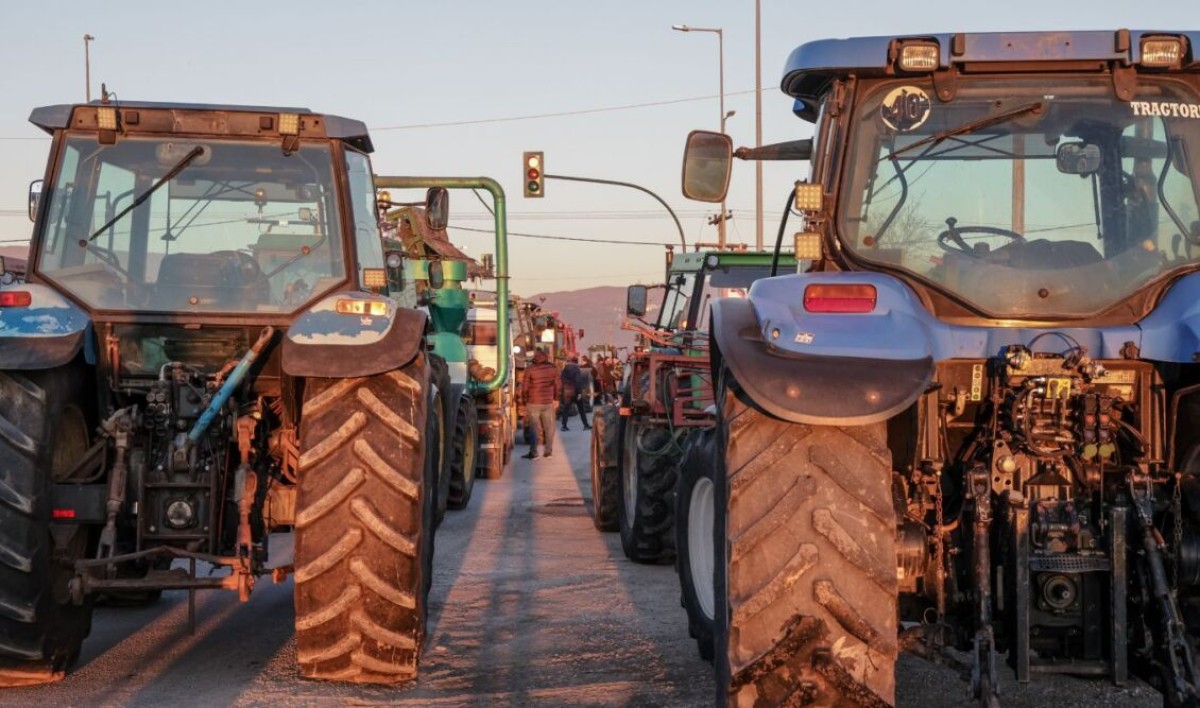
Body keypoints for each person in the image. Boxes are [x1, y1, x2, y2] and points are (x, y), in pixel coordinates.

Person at [521, 348, 561, 459]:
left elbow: (525, 387)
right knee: (549, 427)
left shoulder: (530, 369)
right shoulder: (552, 368)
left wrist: (525, 400)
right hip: (548, 402)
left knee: (533, 428)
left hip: (533, 402)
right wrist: (556, 399)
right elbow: (558, 385)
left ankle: (533, 453)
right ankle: (548, 452)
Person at [560, 355, 590, 431]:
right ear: (576, 362)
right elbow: (578, 381)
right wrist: (579, 392)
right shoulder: (577, 369)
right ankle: (586, 425)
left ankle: (564, 426)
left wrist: (565, 388)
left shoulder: (565, 369)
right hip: (575, 392)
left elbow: (562, 380)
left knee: (566, 409)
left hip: (567, 391)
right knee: (581, 409)